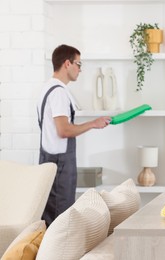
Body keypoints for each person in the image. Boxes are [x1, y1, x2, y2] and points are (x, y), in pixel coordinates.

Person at [37, 44, 112, 226]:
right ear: (67, 63)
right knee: (60, 220)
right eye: (78, 64)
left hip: (50, 160)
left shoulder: (48, 88)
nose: (80, 69)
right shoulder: (59, 93)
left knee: (50, 218)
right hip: (59, 165)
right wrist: (94, 124)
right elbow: (64, 130)